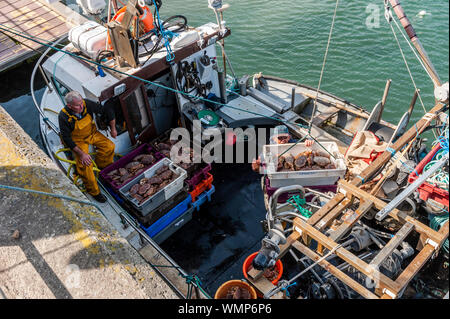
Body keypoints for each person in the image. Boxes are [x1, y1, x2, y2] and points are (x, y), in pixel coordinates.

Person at [58, 91, 117, 202]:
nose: (81, 106)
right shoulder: (63, 116)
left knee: (110, 146)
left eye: (81, 103)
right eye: (77, 105)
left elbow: (107, 110)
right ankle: (94, 191)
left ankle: (103, 167)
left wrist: (113, 129)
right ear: (69, 106)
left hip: (92, 133)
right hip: (78, 141)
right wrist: (82, 154)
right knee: (85, 165)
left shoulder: (86, 104)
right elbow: (67, 139)